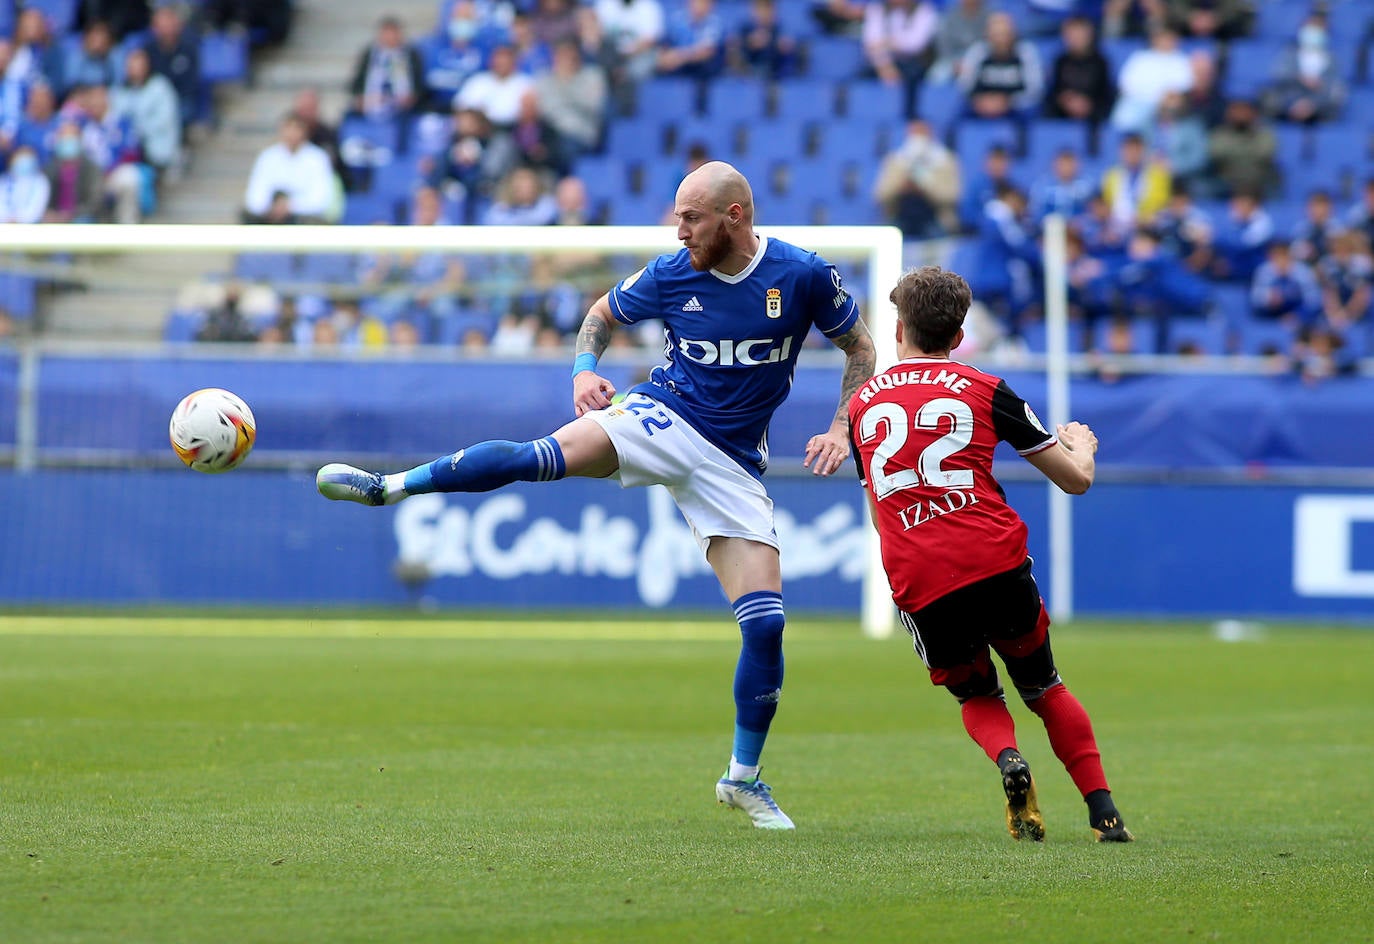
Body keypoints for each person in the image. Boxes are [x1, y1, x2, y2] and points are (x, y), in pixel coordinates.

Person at [316, 161, 877, 830]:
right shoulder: (671, 272)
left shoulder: (802, 274)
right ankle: (390, 487)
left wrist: (843, 425)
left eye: (691, 218)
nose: (679, 229)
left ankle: (743, 779)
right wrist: (585, 372)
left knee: (766, 625)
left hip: (733, 466)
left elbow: (861, 347)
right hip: (665, 417)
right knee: (538, 457)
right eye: (677, 215)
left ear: (736, 217)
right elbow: (599, 317)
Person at [847, 264, 1133, 844]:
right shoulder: (989, 391)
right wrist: (1083, 445)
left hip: (922, 575)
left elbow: (879, 508)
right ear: (958, 337)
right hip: (994, 561)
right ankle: (1105, 814)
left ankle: (1009, 761)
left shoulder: (860, 407)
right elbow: (1075, 480)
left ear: (898, 330)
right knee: (1044, 686)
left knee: (977, 692)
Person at [241, 112, 337, 224]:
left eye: (296, 128)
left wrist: (290, 206)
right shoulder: (267, 157)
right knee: (247, 216)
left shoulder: (318, 158)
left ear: (305, 131)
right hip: (269, 215)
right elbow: (254, 196)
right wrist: (273, 207)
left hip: (302, 218)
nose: (291, 133)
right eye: (288, 128)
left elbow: (321, 200)